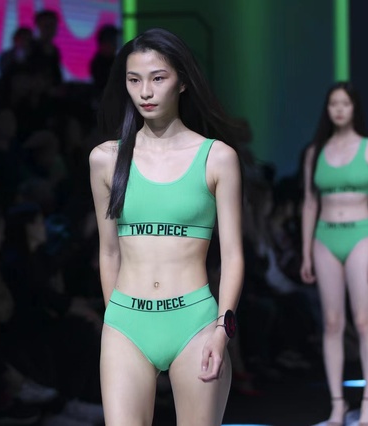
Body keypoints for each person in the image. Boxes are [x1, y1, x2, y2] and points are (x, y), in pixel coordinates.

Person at [89, 28, 244, 425]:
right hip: (126, 324)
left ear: (183, 81)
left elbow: (232, 256)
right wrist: (116, 319)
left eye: (158, 78)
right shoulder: (105, 159)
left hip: (194, 322)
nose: (145, 91)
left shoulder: (216, 158)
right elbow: (109, 250)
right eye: (134, 80)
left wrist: (222, 331)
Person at [300, 82, 368, 426]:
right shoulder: (315, 151)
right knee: (332, 322)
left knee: (364, 320)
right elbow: (309, 203)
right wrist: (305, 253)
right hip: (324, 236)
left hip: (361, 234)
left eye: (345, 103)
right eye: (333, 103)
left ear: (354, 108)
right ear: (327, 109)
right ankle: (338, 403)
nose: (339, 109)